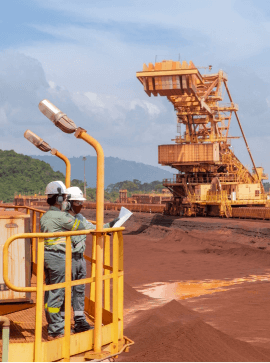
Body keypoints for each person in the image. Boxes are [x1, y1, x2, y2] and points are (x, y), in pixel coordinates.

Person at [40, 181, 92, 339]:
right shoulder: (61, 217)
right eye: (64, 197)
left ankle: (55, 326)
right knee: (57, 294)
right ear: (61, 198)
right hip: (58, 258)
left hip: (48, 255)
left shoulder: (46, 215)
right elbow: (81, 226)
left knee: (51, 293)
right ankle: (56, 330)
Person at [65, 186, 119, 333]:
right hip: (66, 259)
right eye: (77, 203)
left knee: (79, 290)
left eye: (81, 203)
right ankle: (60, 325)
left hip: (79, 259)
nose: (81, 206)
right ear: (68, 202)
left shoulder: (80, 218)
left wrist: (113, 223)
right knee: (65, 292)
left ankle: (80, 320)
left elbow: (94, 229)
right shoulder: (62, 219)